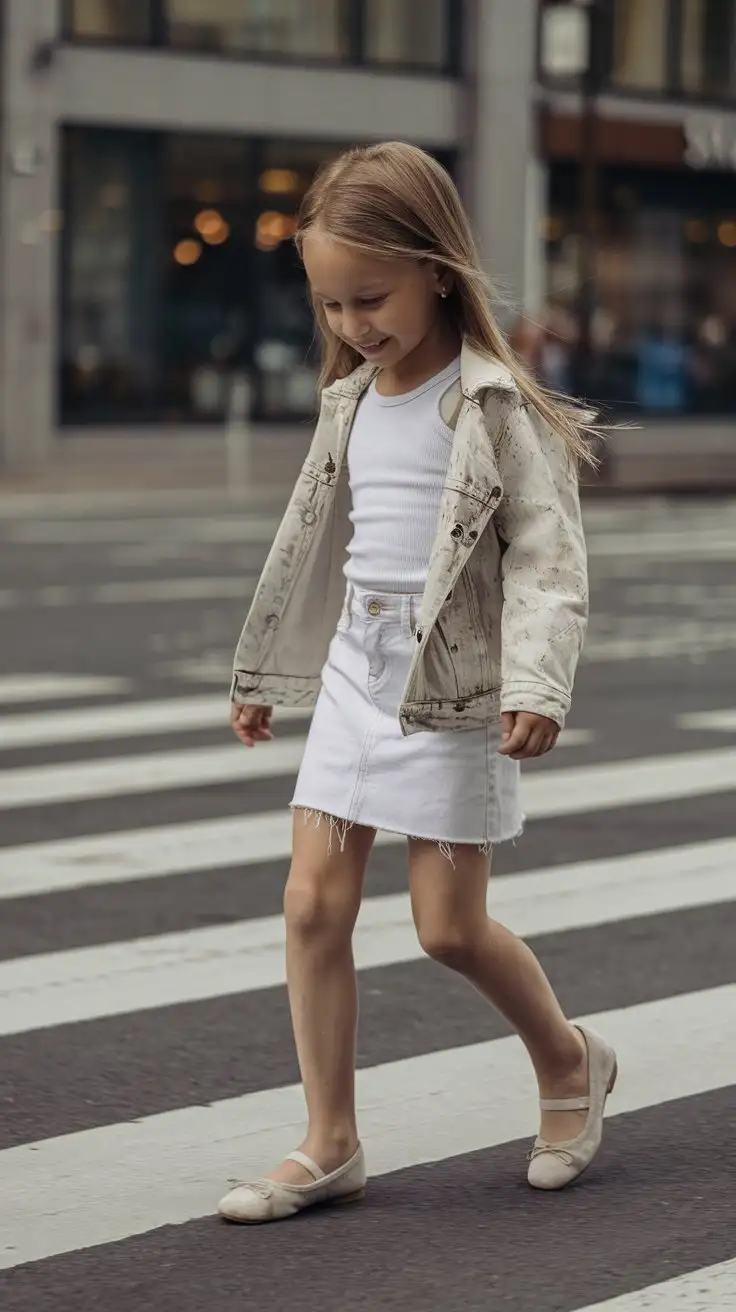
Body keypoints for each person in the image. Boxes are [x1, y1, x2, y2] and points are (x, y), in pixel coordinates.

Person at [218, 142, 616, 1225]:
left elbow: (546, 556)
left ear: (438, 268)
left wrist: (536, 679)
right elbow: (314, 545)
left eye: (371, 297)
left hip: (451, 688)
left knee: (447, 928)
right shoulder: (347, 402)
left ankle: (571, 1059)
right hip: (356, 672)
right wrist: (265, 674)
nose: (351, 324)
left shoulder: (491, 405)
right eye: (332, 303)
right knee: (310, 906)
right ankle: (329, 1140)